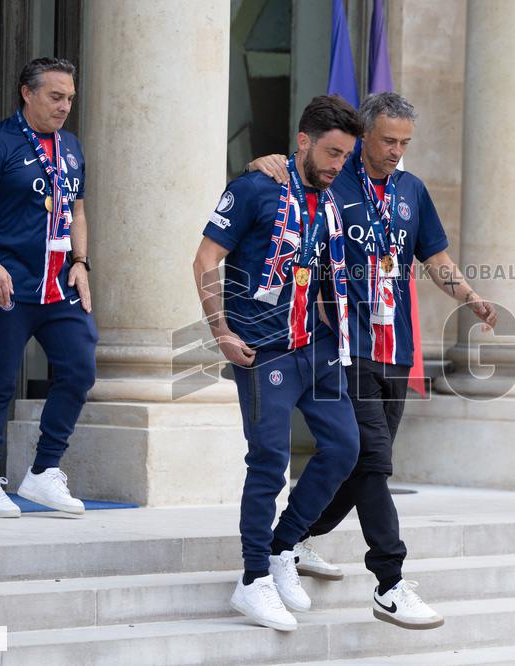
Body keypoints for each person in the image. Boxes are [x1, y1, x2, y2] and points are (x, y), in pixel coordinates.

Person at [249, 91, 497, 630]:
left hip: (396, 351)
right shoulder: (334, 179)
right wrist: (261, 162)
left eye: (405, 143)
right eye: (387, 140)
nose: (395, 151)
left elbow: (434, 257)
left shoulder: (411, 191)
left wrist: (468, 296)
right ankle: (389, 581)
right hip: (342, 346)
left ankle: (289, 540)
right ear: (364, 136)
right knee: (375, 463)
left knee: (360, 466)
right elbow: (291, 176)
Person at [193, 95, 363, 632]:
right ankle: (251, 581)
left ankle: (282, 546)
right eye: (332, 152)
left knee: (344, 448)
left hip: (318, 347)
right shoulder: (254, 187)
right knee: (269, 460)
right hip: (263, 350)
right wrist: (219, 329)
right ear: (303, 141)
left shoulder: (333, 195)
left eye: (346, 156)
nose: (339, 164)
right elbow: (204, 259)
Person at [0, 58, 96, 518]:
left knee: (79, 370)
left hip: (59, 287)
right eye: (56, 97)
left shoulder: (71, 146)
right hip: (9, 286)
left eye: (70, 98)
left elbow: (76, 210)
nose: (64, 107)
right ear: (27, 93)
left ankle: (42, 473)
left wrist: (81, 262)